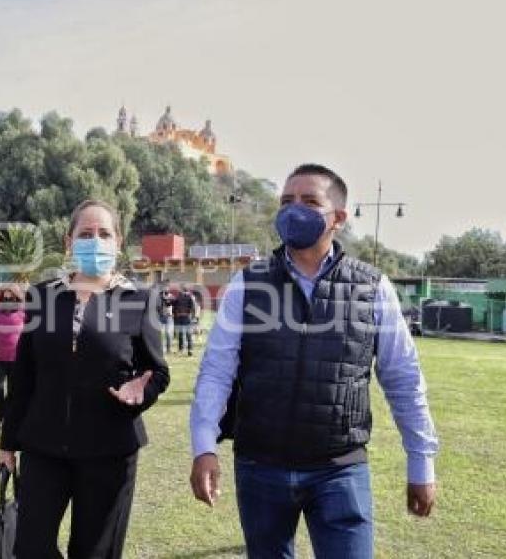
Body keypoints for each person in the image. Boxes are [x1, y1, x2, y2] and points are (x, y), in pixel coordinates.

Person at [189, 164, 439, 559]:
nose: (294, 210)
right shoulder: (247, 284)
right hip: (260, 467)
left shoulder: (372, 287)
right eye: (287, 201)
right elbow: (217, 370)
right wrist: (204, 446)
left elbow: (403, 378)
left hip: (340, 470)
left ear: (338, 217)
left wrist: (421, 462)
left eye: (309, 201)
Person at [0, 199, 170, 559]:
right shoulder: (43, 296)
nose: (96, 241)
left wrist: (142, 390)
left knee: (95, 552)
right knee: (31, 548)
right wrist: (7, 444)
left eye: (104, 234)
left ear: (119, 242)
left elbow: (157, 372)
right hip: (43, 447)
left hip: (110, 449)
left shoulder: (139, 299)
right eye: (86, 234)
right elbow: (24, 378)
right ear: (69, 242)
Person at [0, 284, 26, 426]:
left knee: (13, 389)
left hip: (17, 357)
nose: (7, 294)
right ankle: (1, 413)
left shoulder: (23, 311)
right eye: (5, 292)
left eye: (10, 292)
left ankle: (8, 416)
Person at [173, 285, 197, 356]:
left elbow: (173, 304)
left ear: (182, 290)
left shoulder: (182, 297)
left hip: (183, 317)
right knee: (187, 334)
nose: (178, 291)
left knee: (183, 334)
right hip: (185, 317)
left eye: (180, 290)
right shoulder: (186, 297)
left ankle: (183, 349)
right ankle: (189, 350)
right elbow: (192, 308)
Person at [158, 283, 175, 354]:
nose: (165, 289)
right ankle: (161, 348)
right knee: (160, 334)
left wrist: (165, 297)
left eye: (166, 288)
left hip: (168, 317)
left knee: (168, 333)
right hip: (160, 316)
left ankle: (169, 348)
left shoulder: (171, 296)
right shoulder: (158, 296)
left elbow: (171, 302)